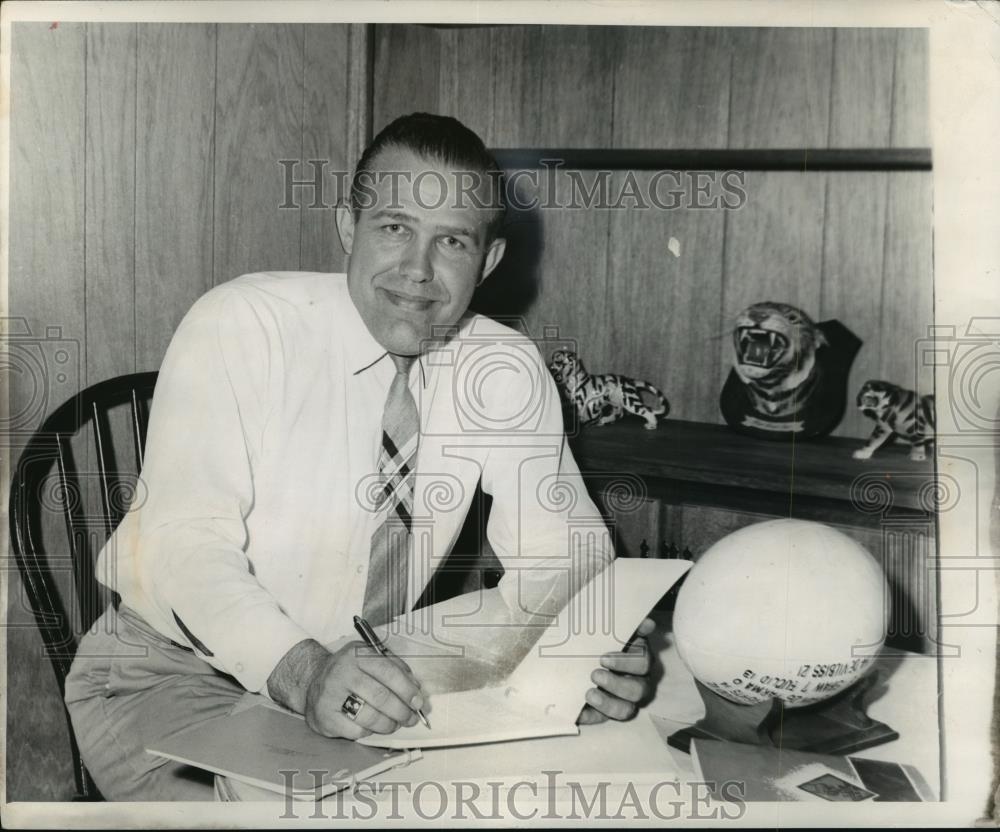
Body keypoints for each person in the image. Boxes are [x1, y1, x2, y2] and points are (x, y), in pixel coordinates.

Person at [64, 113, 655, 801]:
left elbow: (565, 555)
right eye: (395, 227)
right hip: (166, 678)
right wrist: (305, 673)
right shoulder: (241, 325)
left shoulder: (505, 368)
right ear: (349, 228)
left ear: (488, 262)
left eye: (453, 241)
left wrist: (586, 652)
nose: (418, 271)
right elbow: (181, 549)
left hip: (375, 673)